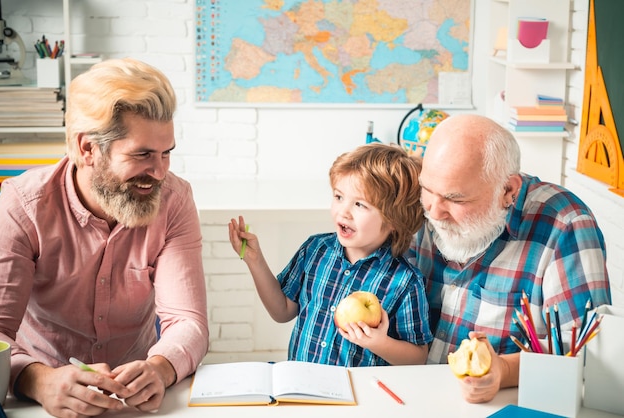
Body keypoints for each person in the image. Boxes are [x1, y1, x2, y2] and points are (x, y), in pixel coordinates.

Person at [0, 58, 209, 417]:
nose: (159, 172)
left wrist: (160, 368)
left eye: (166, 153)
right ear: (87, 149)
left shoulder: (175, 200)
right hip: (39, 401)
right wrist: (39, 380)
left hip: (135, 403)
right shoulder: (22, 204)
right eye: (142, 154)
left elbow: (188, 321)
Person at [407, 113, 611, 403]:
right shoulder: (421, 205)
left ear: (508, 190)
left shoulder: (566, 225)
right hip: (409, 394)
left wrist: (503, 370)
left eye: (455, 199)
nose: (434, 212)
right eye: (427, 189)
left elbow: (586, 351)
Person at [229, 143, 432, 367]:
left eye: (359, 204)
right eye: (338, 197)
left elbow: (418, 357)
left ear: (394, 219)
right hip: (302, 387)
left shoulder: (405, 282)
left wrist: (378, 343)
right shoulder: (315, 250)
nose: (343, 211)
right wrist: (254, 260)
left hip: (360, 397)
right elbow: (282, 311)